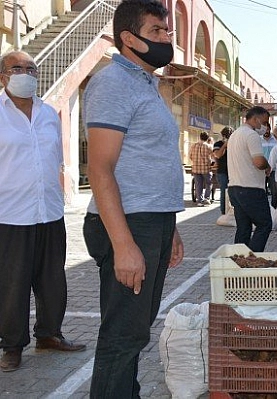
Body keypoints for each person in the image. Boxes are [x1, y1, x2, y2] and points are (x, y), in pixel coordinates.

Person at [82, 0, 185, 396]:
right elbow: (100, 170)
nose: (165, 40)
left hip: (151, 221)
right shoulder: (113, 83)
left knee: (137, 329)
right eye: (156, 32)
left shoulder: (146, 83)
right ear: (129, 38)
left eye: (167, 32)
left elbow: (155, 161)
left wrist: (170, 227)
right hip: (126, 223)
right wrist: (124, 245)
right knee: (123, 333)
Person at [0, 51, 86, 373]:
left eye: (31, 68)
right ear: (3, 76)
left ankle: (49, 334)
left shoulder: (50, 113)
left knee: (52, 281)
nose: (25, 73)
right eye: (17, 68)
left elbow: (54, 160)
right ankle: (12, 346)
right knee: (12, 284)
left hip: (49, 211)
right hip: (10, 215)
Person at [227, 106, 272, 251]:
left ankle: (239, 261)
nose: (265, 127)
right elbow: (258, 161)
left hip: (235, 188)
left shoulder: (235, 135)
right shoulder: (251, 135)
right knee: (264, 224)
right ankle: (253, 259)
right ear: (255, 119)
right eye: (264, 122)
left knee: (243, 228)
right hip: (251, 189)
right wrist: (267, 166)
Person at [212, 126, 233, 215]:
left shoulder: (234, 143)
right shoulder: (218, 144)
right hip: (222, 171)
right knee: (224, 191)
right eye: (226, 135)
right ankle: (223, 211)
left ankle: (231, 211)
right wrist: (224, 145)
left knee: (233, 191)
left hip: (233, 171)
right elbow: (218, 155)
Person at [189, 131, 213, 206]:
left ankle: (199, 200)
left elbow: (190, 156)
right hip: (205, 168)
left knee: (198, 185)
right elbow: (213, 157)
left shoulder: (193, 145)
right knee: (209, 183)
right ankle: (207, 198)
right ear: (207, 138)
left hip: (195, 169)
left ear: (200, 137)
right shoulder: (209, 146)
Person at [260, 122, 277, 208]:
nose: (266, 131)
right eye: (264, 129)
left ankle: (273, 210)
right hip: (261, 170)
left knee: (275, 192)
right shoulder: (258, 140)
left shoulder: (276, 140)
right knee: (261, 191)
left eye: (268, 129)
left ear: (270, 129)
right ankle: (263, 209)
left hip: (273, 170)